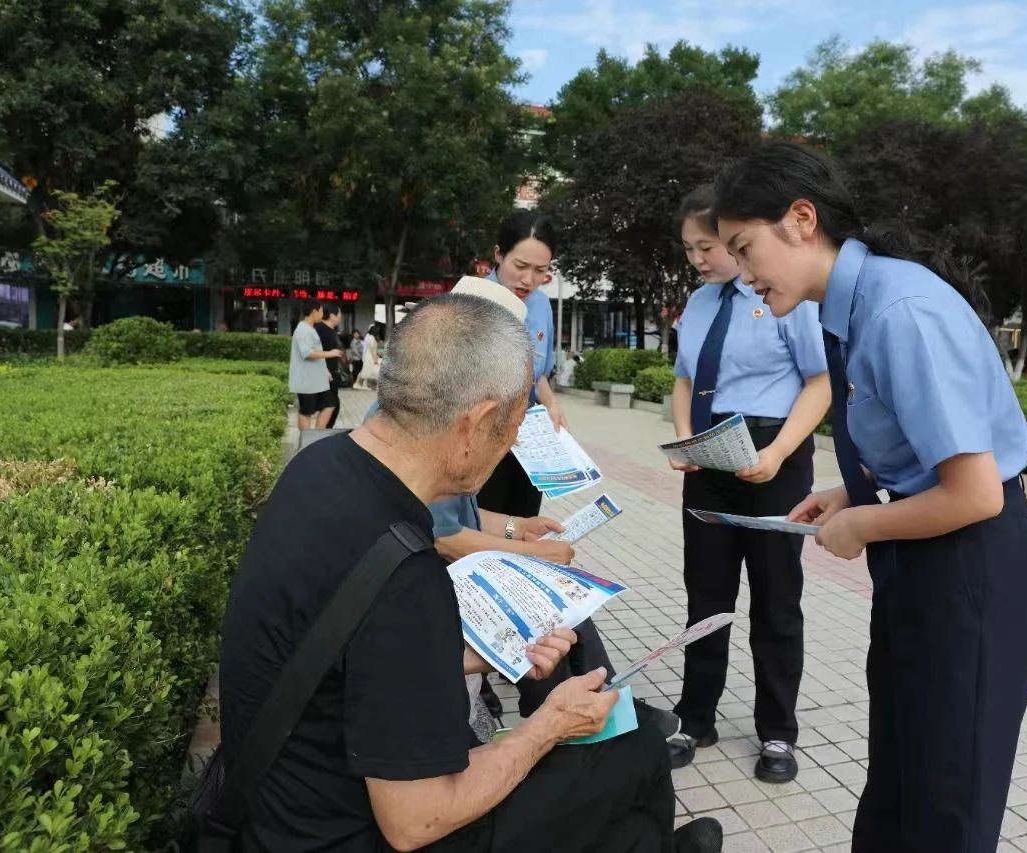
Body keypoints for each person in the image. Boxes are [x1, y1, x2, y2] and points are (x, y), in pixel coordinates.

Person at [221, 293, 722, 853]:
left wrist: (479, 654)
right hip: (343, 831)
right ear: (477, 421)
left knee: (619, 801)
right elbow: (417, 821)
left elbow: (345, 645)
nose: (511, 446)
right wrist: (547, 725)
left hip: (275, 801)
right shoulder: (406, 571)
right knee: (635, 753)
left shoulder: (320, 467)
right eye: (512, 427)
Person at [712, 140, 1027, 852]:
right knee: (900, 784)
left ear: (801, 219)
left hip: (971, 567)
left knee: (945, 803)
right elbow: (926, 460)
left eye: (744, 249)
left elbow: (976, 493)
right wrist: (849, 494)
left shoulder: (900, 310)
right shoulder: (854, 308)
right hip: (924, 559)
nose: (742, 274)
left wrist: (864, 522)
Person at [665, 185, 831, 784]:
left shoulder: (786, 300)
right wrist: (685, 440)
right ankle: (695, 717)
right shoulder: (701, 302)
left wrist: (778, 452)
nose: (700, 260)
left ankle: (778, 733)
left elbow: (820, 383)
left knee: (776, 601)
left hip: (774, 466)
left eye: (707, 246)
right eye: (689, 251)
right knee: (706, 597)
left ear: (737, 240)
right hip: (711, 463)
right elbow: (685, 379)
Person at [476, 211, 563, 520]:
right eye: (521, 266)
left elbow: (539, 372)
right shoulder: (471, 303)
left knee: (524, 523)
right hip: (480, 441)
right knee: (485, 525)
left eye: (541, 270)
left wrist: (551, 405)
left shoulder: (541, 305)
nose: (529, 280)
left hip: (528, 442)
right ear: (498, 254)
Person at [289, 299, 343, 432]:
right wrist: (330, 354)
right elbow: (307, 353)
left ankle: (317, 436)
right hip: (306, 378)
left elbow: (315, 351)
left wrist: (325, 371)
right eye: (320, 311)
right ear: (314, 311)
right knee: (306, 412)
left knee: (330, 404)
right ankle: (306, 442)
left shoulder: (310, 329)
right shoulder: (303, 330)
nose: (322, 314)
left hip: (315, 378)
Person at [314, 304, 345, 429]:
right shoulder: (321, 330)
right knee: (329, 405)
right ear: (332, 316)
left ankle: (322, 433)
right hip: (325, 376)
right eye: (339, 315)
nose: (340, 318)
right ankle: (318, 436)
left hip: (332, 375)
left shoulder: (329, 331)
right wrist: (324, 371)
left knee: (333, 406)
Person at [358, 322, 382, 389]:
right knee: (369, 370)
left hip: (370, 355)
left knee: (369, 370)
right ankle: (363, 384)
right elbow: (372, 350)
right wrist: (375, 359)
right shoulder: (372, 338)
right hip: (370, 356)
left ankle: (364, 384)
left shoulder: (371, 337)